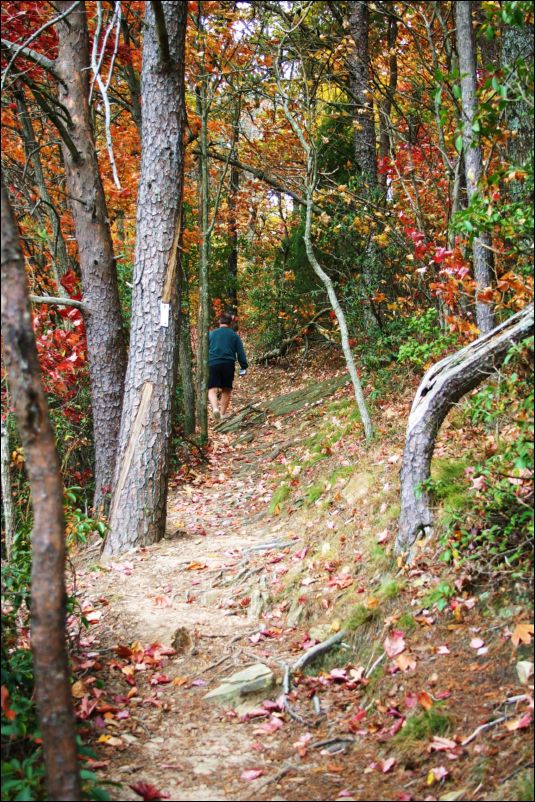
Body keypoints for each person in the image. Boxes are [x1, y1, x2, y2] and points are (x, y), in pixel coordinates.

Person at [208, 312, 248, 420]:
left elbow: (205, 350)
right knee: (226, 389)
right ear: (230, 323)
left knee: (212, 389)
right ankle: (222, 414)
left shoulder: (211, 334)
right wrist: (243, 366)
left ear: (219, 321)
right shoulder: (234, 335)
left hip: (213, 363)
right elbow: (240, 352)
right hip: (228, 364)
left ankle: (215, 408)